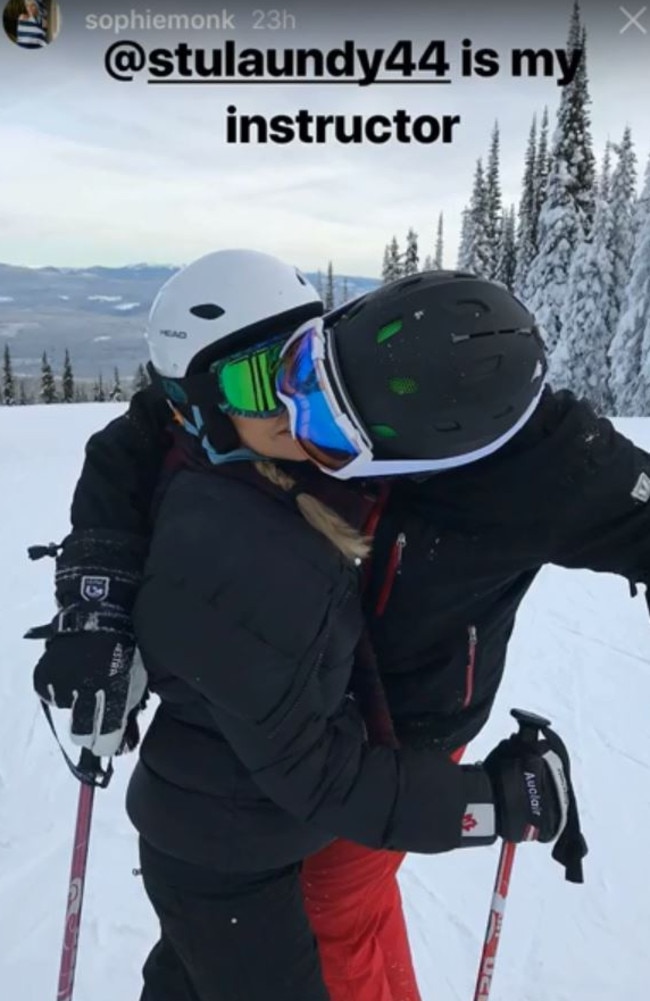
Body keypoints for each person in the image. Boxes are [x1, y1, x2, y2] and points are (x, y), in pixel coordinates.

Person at [29, 256, 593, 1001]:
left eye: (309, 358)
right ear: (199, 405)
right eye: (262, 380)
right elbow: (320, 776)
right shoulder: (233, 556)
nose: (301, 395)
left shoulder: (281, 453)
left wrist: (94, 590)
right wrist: (491, 800)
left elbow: (136, 428)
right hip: (232, 860)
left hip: (227, 833)